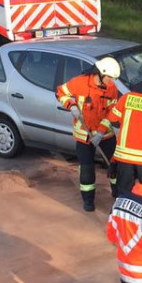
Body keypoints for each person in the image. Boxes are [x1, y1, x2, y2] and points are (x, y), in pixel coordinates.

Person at [57, 57, 121, 211]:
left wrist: (100, 133)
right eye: (109, 77)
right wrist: (71, 105)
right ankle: (88, 201)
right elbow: (60, 92)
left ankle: (118, 194)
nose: (111, 81)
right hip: (84, 136)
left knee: (114, 164)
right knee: (86, 168)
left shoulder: (111, 89)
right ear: (100, 73)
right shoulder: (79, 83)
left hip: (105, 135)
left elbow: (112, 114)